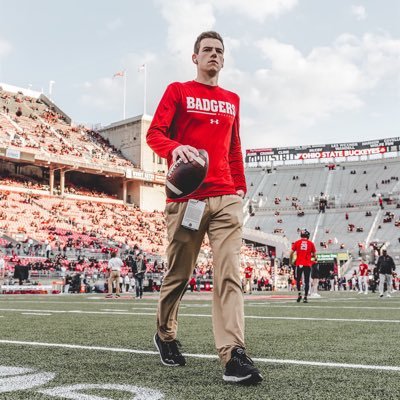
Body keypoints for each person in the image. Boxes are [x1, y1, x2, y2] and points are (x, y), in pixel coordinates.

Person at [146, 31, 262, 384]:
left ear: (223, 60)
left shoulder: (232, 99)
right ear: (194, 57)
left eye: (219, 51)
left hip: (226, 196)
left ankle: (233, 355)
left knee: (229, 273)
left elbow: (233, 146)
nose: (213, 55)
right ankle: (165, 333)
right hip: (188, 199)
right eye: (207, 50)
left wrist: (239, 186)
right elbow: (154, 133)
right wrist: (174, 148)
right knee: (179, 275)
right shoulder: (178, 90)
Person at [290, 229, 317, 303]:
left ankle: (299, 294)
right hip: (307, 264)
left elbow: (291, 252)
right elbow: (315, 255)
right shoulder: (311, 243)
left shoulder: (297, 242)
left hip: (299, 264)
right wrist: (315, 259)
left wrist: (291, 261)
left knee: (298, 280)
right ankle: (305, 297)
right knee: (307, 280)